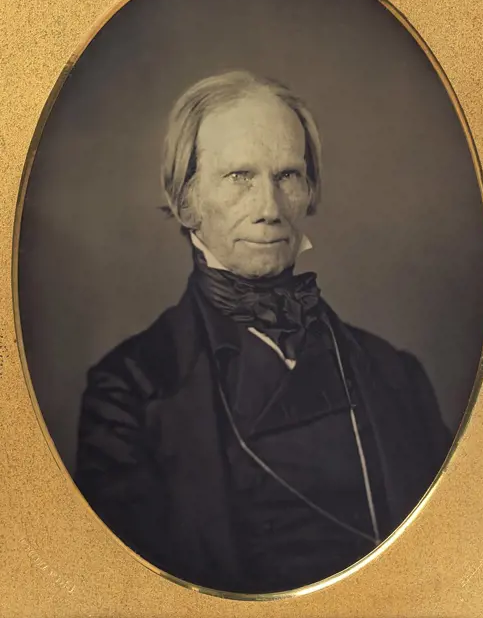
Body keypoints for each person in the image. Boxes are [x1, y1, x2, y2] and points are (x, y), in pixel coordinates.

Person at [75, 70, 451, 594]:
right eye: (239, 177)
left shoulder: (396, 376)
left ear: (312, 192)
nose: (270, 209)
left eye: (288, 176)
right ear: (186, 202)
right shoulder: (130, 392)